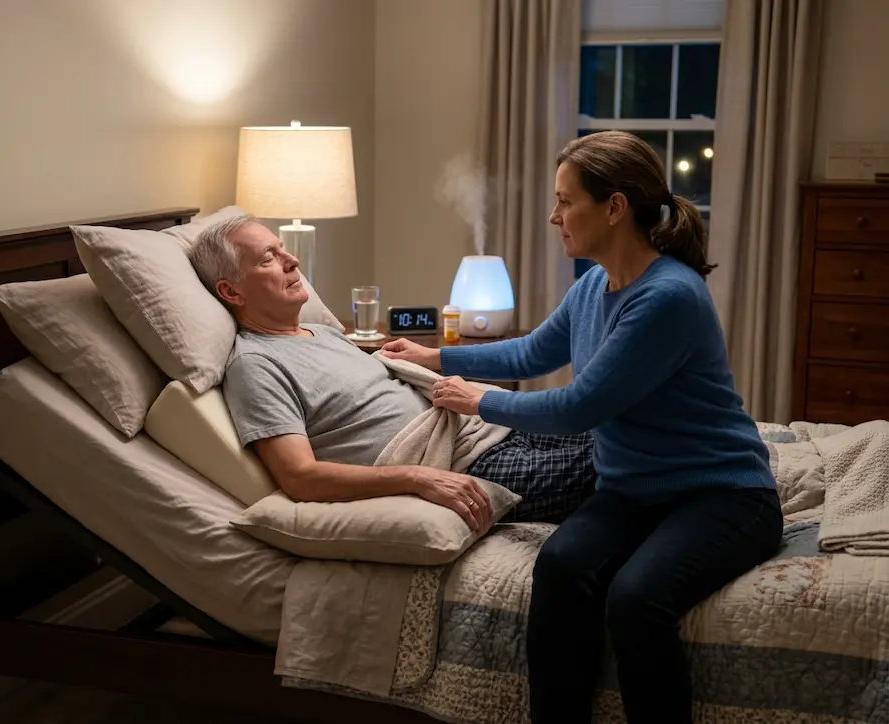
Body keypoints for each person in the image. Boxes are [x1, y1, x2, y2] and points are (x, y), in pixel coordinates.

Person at [380, 130, 783, 724]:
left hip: (722, 495)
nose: (553, 216)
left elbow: (577, 408)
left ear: (615, 207)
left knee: (637, 598)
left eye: (567, 201)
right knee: (562, 568)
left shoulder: (668, 296)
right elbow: (531, 353)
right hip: (632, 492)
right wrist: (434, 357)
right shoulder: (595, 283)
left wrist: (478, 402)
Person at [188, 214, 596, 532]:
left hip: (487, 429)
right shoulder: (256, 365)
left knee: (625, 428)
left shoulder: (325, 332)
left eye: (282, 249)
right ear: (231, 292)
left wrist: (432, 359)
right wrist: (419, 478)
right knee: (612, 463)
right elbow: (300, 477)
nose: (291, 260)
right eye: (268, 258)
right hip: (467, 464)